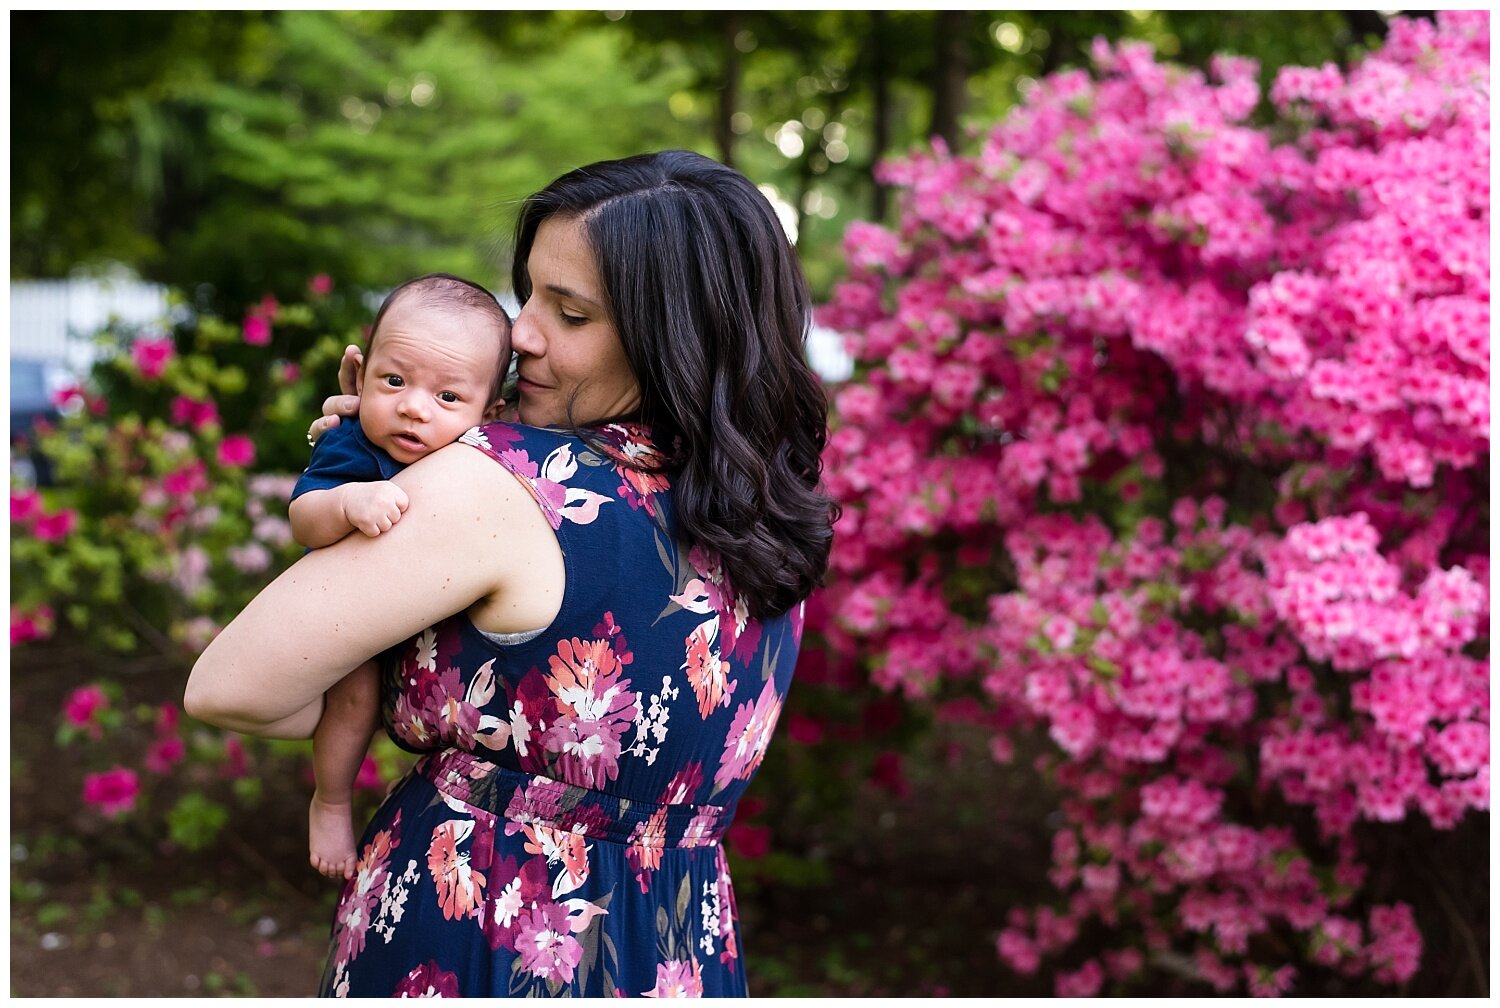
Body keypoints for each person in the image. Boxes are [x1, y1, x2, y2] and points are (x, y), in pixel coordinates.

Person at [186, 149, 836, 997]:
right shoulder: (762, 507)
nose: (521, 331)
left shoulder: (508, 481)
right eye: (527, 292)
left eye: (569, 313)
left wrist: (373, 469)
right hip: (678, 942)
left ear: (674, 335)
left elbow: (230, 687)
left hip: (487, 928)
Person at [288, 273, 512, 880]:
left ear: (487, 413)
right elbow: (302, 518)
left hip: (434, 625)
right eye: (395, 381)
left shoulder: (477, 453)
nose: (414, 406)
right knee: (355, 698)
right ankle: (331, 799)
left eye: (447, 398)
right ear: (360, 378)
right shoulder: (357, 445)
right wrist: (346, 504)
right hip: (350, 612)